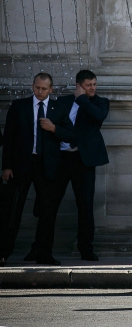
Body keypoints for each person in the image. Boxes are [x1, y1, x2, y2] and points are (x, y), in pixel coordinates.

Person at [0, 73, 75, 267]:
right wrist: (6, 166)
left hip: (47, 166)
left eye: (44, 88)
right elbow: (8, 137)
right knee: (12, 209)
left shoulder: (58, 108)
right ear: (32, 86)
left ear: (51, 89)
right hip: (21, 165)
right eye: (37, 88)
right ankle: (3, 252)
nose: (40, 92)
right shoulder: (19, 107)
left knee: (48, 211)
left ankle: (44, 253)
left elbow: (71, 135)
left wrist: (54, 129)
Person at [54, 70, 109, 262]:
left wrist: (82, 99)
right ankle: (40, 248)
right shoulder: (62, 102)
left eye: (94, 84)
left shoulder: (99, 102)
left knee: (85, 206)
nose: (93, 88)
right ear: (78, 85)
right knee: (50, 203)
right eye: (88, 85)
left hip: (84, 161)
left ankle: (86, 248)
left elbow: (98, 117)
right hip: (61, 159)